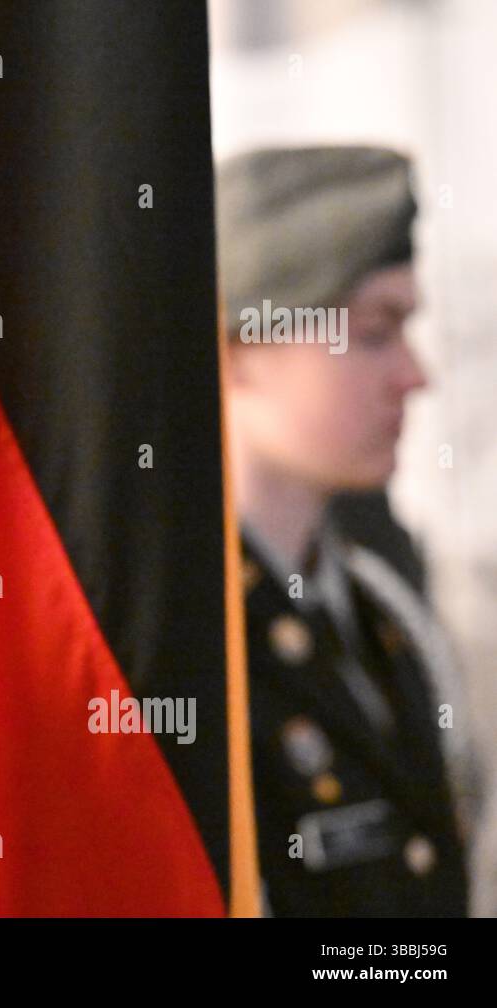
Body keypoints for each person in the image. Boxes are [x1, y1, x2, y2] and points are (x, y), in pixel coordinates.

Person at [217, 145, 472, 915]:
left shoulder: (383, 612)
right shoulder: (178, 641)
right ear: (240, 350)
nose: (416, 375)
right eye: (373, 333)